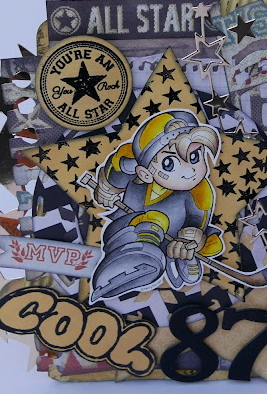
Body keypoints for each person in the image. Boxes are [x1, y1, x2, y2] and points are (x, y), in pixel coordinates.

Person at [90, 110, 223, 302]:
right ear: (144, 173)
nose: (189, 172)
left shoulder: (200, 191)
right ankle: (124, 263)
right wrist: (106, 187)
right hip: (125, 233)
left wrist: (192, 238)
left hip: (172, 241)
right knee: (153, 220)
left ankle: (183, 258)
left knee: (200, 242)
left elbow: (197, 221)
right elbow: (115, 169)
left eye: (195, 156)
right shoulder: (133, 170)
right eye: (169, 163)